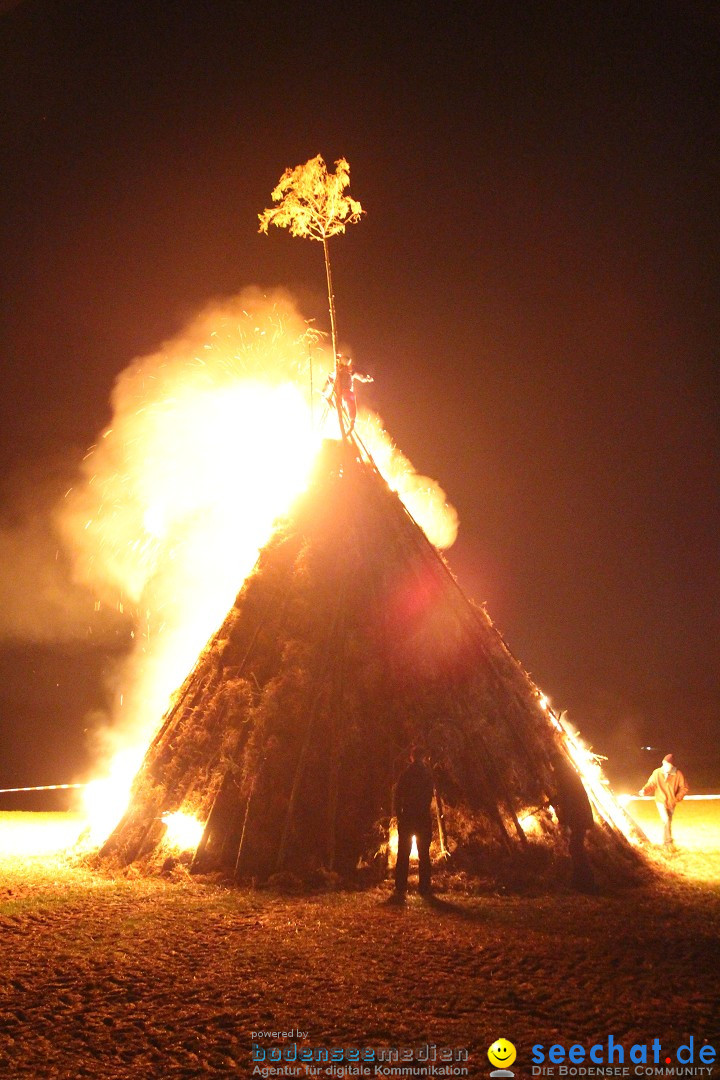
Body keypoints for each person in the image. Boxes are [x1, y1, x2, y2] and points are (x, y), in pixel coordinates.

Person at [550, 748, 596, 892]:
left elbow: (568, 796)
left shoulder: (564, 775)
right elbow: (567, 793)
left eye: (553, 764)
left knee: (576, 847)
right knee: (576, 846)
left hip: (579, 815)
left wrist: (561, 808)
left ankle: (586, 882)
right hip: (580, 815)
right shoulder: (568, 774)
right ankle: (581, 881)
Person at [393, 746, 434, 898]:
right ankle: (424, 887)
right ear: (423, 757)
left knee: (403, 853)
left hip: (408, 817)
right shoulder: (427, 775)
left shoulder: (405, 774)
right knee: (424, 854)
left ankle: (400, 886)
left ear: (411, 757)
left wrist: (399, 814)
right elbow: (429, 795)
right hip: (422, 817)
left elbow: (397, 795)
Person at [639, 753, 688, 846]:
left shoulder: (678, 774)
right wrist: (644, 791)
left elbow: (684, 788)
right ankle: (669, 843)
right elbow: (651, 784)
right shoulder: (657, 772)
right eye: (664, 763)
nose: (664, 766)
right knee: (666, 820)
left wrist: (677, 798)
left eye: (667, 764)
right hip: (660, 801)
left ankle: (665, 843)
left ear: (672, 766)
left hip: (671, 803)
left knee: (668, 822)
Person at [322, 354, 373, 432]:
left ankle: (351, 421)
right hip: (337, 394)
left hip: (345, 392)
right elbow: (328, 382)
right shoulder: (335, 372)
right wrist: (324, 394)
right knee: (343, 403)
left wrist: (366, 378)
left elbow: (359, 375)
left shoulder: (349, 371)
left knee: (349, 399)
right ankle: (345, 421)